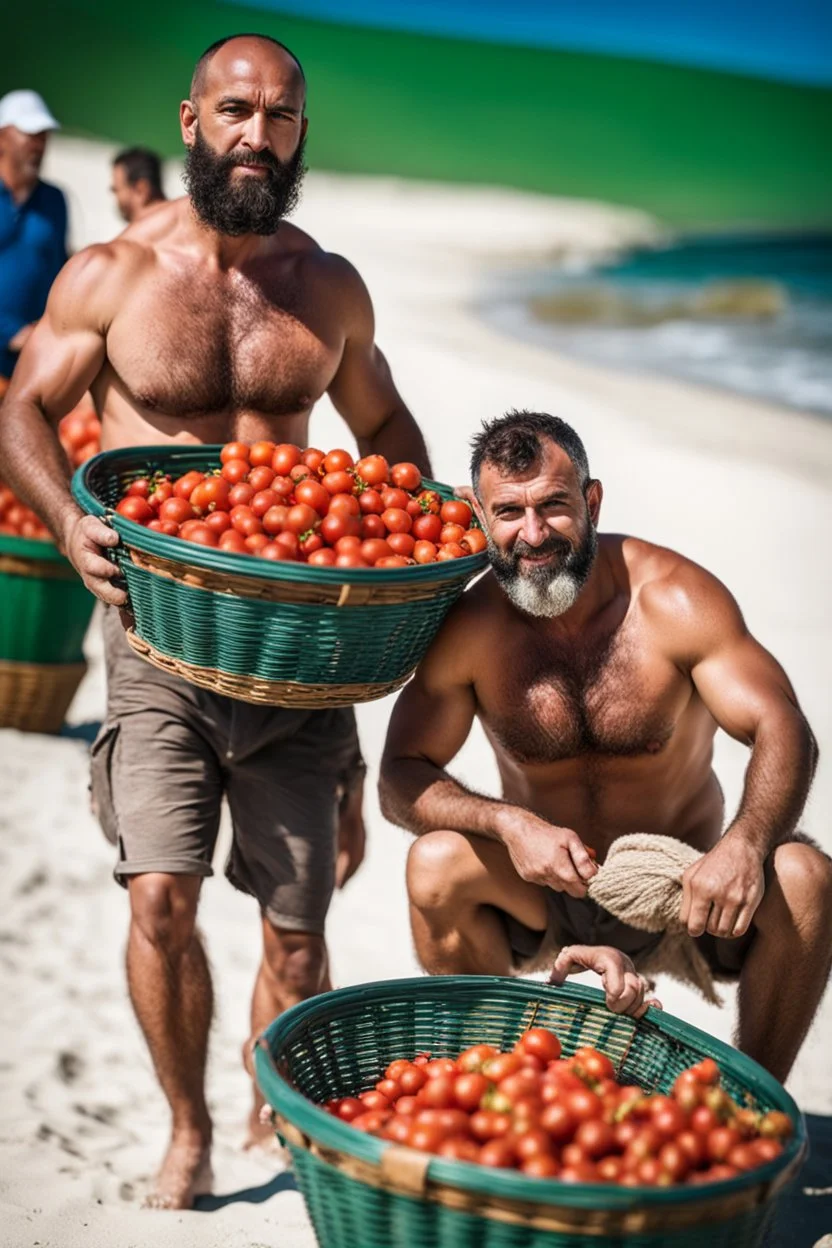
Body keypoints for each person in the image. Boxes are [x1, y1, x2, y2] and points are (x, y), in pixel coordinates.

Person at [0, 33, 431, 1209]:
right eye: (234, 111)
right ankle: (186, 1127)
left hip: (294, 652)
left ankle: (262, 1090)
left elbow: (388, 435)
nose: (256, 135)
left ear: (300, 135)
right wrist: (66, 519)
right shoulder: (111, 276)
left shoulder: (327, 287)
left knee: (298, 933)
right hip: (155, 641)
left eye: (280, 118)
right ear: (190, 122)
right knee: (161, 895)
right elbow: (27, 411)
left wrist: (384, 533)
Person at [380, 409, 831, 1086]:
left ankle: (754, 1102)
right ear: (479, 515)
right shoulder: (471, 629)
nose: (531, 535)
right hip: (546, 889)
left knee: (804, 879)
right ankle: (502, 1082)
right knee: (434, 864)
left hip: (687, 889)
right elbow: (399, 776)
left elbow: (782, 726)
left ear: (590, 501)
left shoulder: (673, 601)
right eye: (508, 513)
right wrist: (510, 822)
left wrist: (744, 844)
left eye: (553, 507)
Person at [0, 90, 66, 380]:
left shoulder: (55, 201)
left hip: (32, 364)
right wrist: (9, 332)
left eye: (44, 135)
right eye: (30, 133)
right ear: (2, 136)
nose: (38, 145)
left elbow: (59, 270)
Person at [111, 146, 167, 224]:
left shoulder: (136, 235)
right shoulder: (185, 219)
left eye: (116, 190)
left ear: (141, 189)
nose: (115, 197)